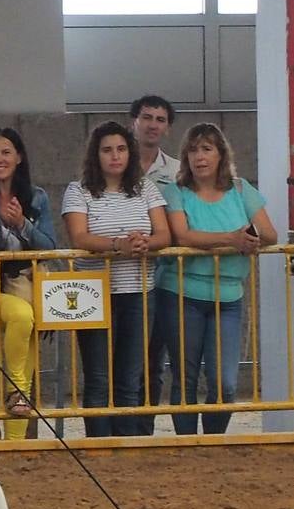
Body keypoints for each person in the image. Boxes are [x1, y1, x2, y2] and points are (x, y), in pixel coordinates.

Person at [157, 123, 276, 434]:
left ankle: (213, 440)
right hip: (182, 293)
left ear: (222, 154)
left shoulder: (241, 189)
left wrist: (250, 239)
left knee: (225, 382)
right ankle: (186, 443)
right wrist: (231, 239)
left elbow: (270, 233)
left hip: (229, 296)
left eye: (207, 149)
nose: (200, 157)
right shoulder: (176, 191)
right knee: (186, 376)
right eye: (193, 150)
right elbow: (183, 235)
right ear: (185, 158)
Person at [61, 121, 171, 437]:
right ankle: (98, 444)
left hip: (138, 291)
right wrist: (116, 245)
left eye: (121, 149)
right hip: (94, 294)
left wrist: (144, 243)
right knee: (98, 377)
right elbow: (79, 236)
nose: (115, 156)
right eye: (107, 150)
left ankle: (128, 444)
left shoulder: (145, 188)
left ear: (130, 152)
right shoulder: (78, 189)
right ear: (96, 155)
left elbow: (163, 233)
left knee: (131, 376)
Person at [0, 128, 56, 440]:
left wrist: (21, 224)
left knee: (25, 324)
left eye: (6, 152)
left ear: (19, 157)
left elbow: (49, 246)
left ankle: (19, 446)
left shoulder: (37, 197)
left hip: (26, 287)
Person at [129, 94, 179, 432]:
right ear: (134, 121)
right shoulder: (113, 161)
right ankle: (120, 427)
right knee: (122, 359)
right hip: (122, 277)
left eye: (160, 119)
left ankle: (144, 428)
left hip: (163, 280)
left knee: (152, 360)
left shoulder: (177, 171)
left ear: (168, 128)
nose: (153, 124)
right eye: (147, 117)